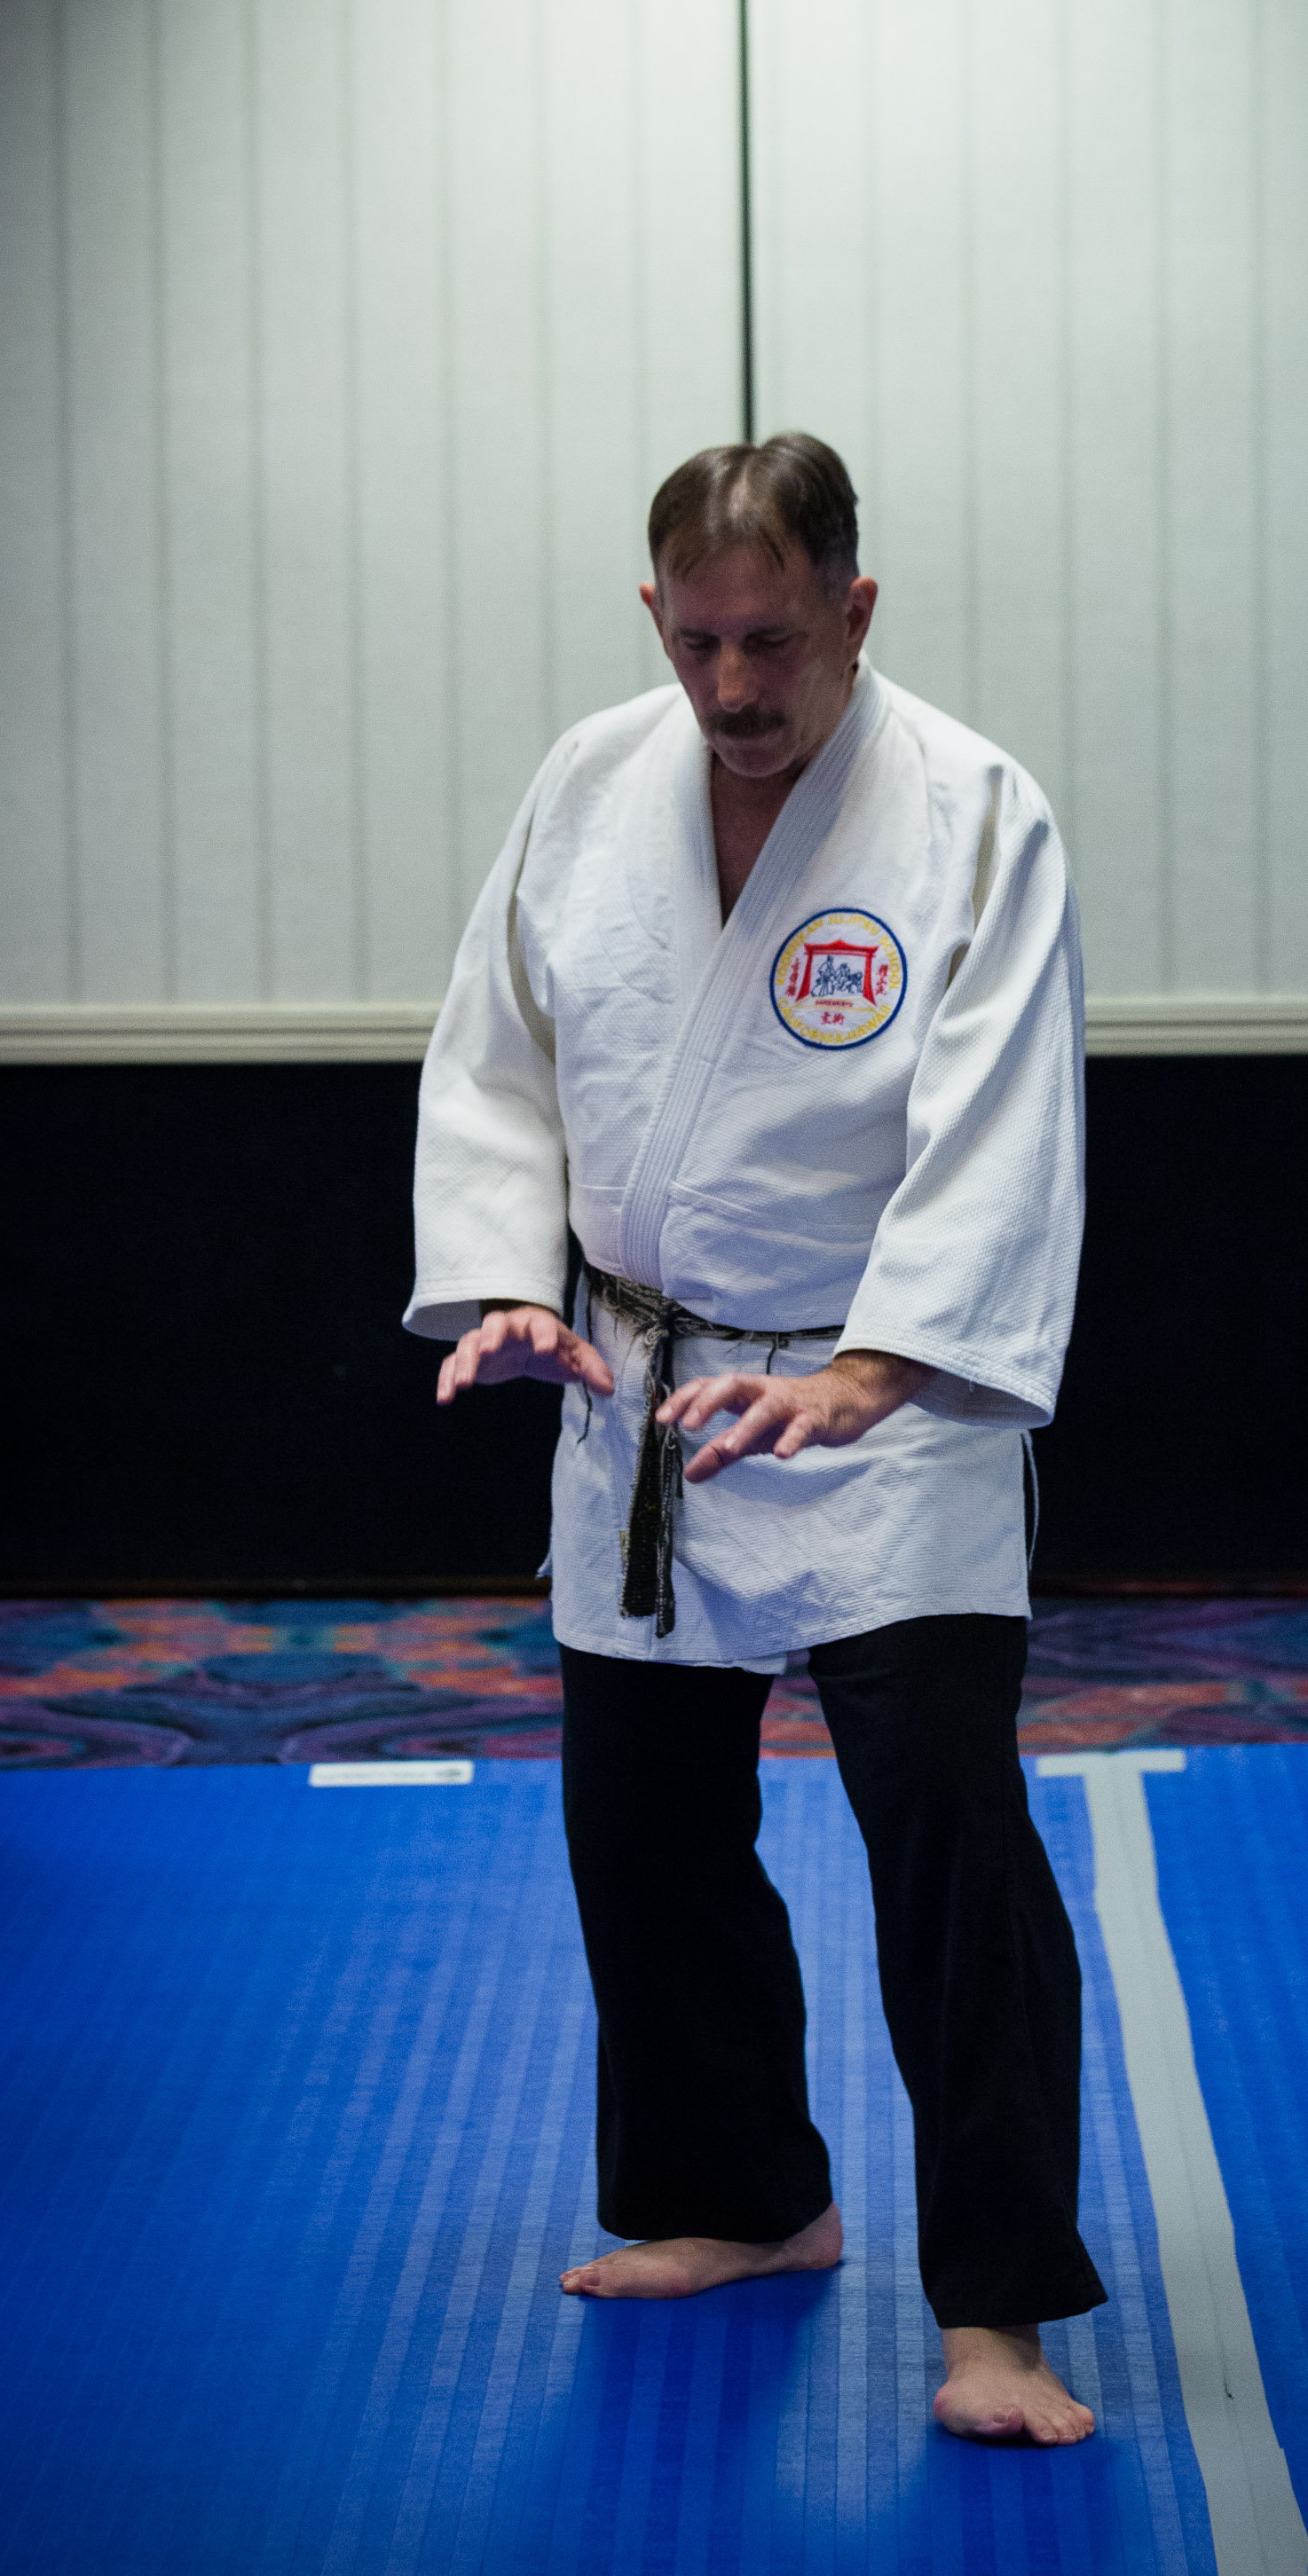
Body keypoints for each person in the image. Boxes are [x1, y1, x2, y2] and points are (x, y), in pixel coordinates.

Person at [407, 434, 1100, 2446]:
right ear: (655, 615)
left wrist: (877, 1371)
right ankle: (743, 2199)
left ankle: (996, 2313)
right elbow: (496, 1055)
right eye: (697, 640)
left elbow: (1006, 1125)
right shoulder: (585, 785)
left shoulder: (970, 811)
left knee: (950, 1852)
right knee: (643, 1831)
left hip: (885, 1409)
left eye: (774, 640)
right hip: (639, 1385)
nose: (732, 685)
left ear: (854, 608)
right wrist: (507, 1283)